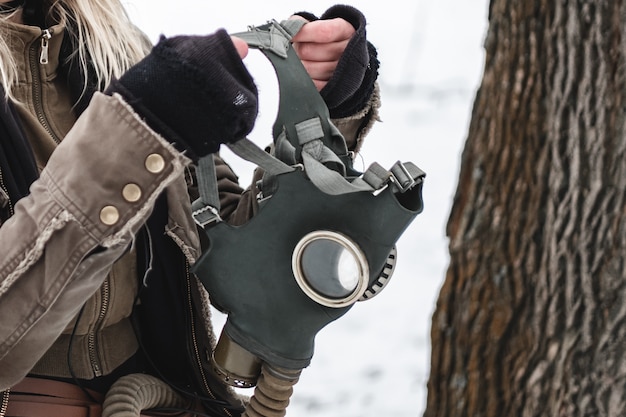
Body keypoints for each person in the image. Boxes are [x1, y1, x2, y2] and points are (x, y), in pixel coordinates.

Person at [0, 0, 381, 415]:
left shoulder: (112, 49)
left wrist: (320, 117)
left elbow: (240, 255)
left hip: (155, 394)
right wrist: (139, 129)